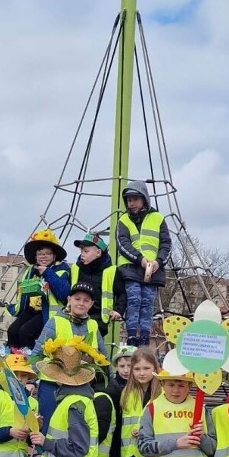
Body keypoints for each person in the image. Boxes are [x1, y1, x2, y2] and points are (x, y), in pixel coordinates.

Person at [33, 283, 107, 429]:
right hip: (52, 384)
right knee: (48, 425)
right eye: (77, 299)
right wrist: (29, 381)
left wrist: (110, 381)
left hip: (80, 384)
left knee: (74, 427)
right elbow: (38, 353)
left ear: (91, 304)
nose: (81, 303)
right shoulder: (55, 321)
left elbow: (103, 356)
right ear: (69, 299)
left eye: (86, 300)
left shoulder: (93, 325)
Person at [115, 180, 172, 348]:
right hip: (131, 268)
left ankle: (145, 337)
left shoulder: (157, 218)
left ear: (144, 199)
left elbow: (166, 244)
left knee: (147, 302)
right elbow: (122, 242)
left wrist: (158, 262)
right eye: (129, 200)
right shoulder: (124, 220)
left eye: (135, 199)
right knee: (134, 299)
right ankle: (132, 335)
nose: (131, 203)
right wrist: (139, 258)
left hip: (152, 269)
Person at [6, 230, 71, 351]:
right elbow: (22, 294)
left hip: (48, 311)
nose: (43, 256)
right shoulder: (30, 271)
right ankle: (14, 357)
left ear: (54, 256)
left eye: (47, 254)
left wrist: (47, 272)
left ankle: (32, 358)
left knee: (26, 332)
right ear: (35, 257)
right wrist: (14, 308)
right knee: (12, 331)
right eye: (40, 254)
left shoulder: (61, 269)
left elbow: (63, 293)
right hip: (31, 309)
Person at [68, 233, 125, 337]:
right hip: (75, 316)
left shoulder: (111, 271)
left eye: (86, 251)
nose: (82, 254)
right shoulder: (75, 268)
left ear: (98, 253)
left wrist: (118, 310)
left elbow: (122, 294)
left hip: (99, 319)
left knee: (93, 348)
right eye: (81, 251)